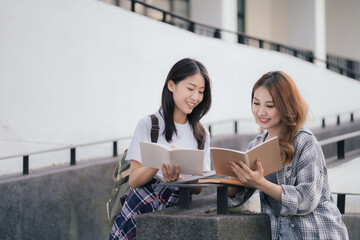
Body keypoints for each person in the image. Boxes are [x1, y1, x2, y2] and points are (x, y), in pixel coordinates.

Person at [228, 71, 349, 239]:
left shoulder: (304, 141)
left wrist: (261, 183)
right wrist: (233, 181)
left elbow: (306, 199)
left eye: (270, 106)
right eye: (256, 103)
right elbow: (237, 198)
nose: (260, 112)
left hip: (318, 232)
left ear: (286, 106)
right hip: (282, 233)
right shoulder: (255, 145)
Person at [109, 58, 212, 240]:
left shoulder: (201, 133)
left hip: (177, 209)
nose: (195, 97)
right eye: (190, 89)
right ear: (171, 85)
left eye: (201, 92)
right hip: (141, 207)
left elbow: (198, 190)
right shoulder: (149, 124)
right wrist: (160, 162)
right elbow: (134, 180)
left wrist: (180, 180)